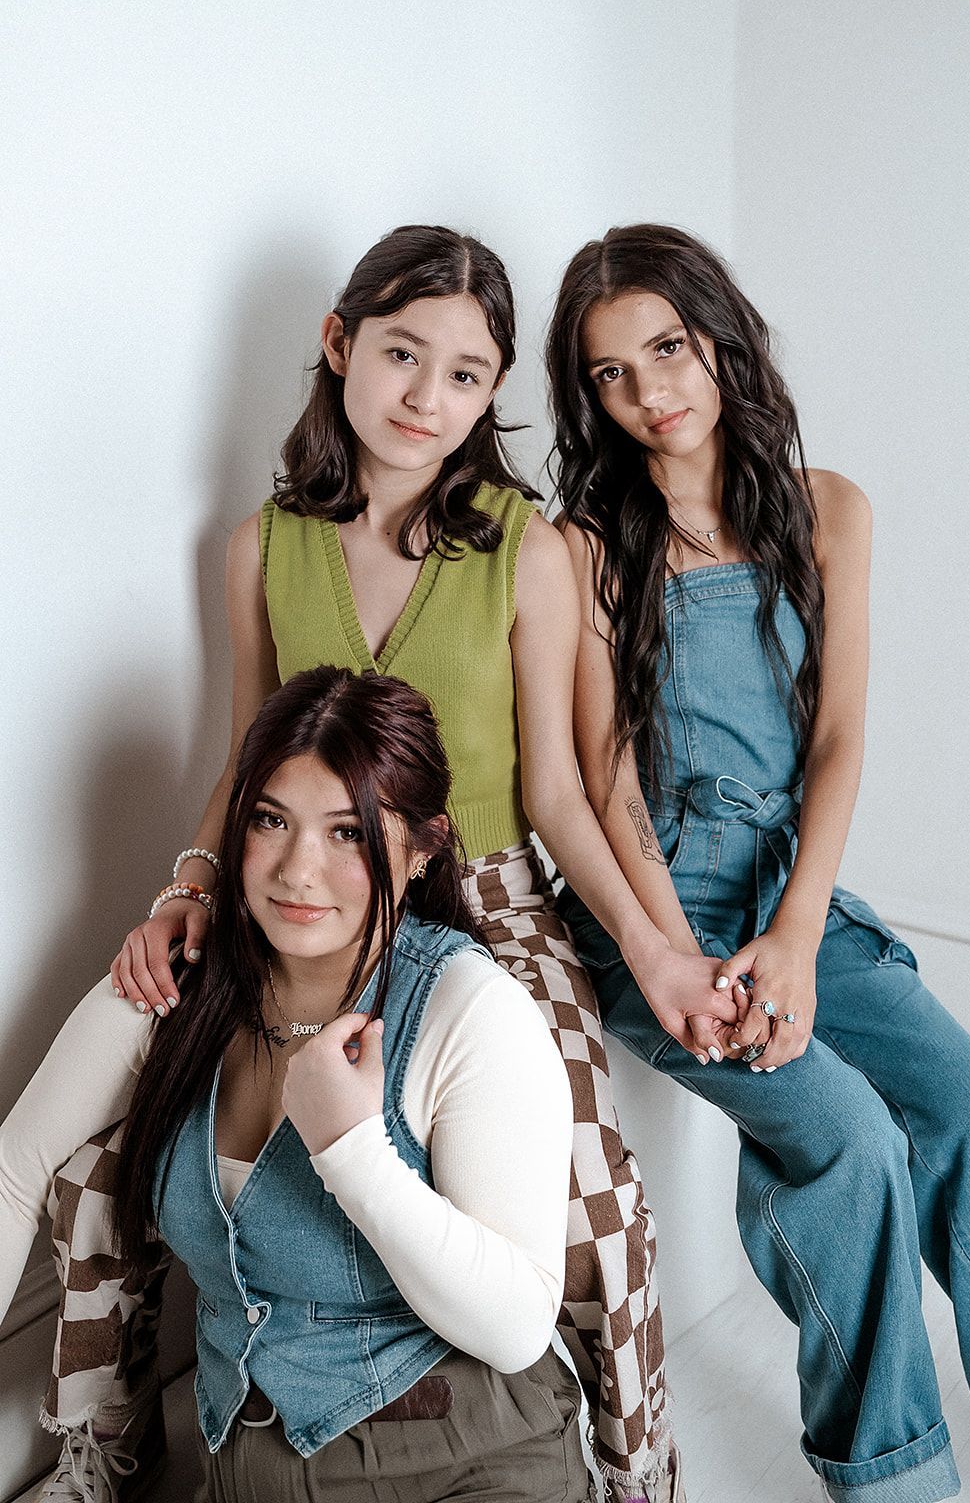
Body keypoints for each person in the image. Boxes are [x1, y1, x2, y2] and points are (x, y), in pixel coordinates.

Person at [37, 227, 720, 1501]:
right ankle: (103, 1450)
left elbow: (563, 793)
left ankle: (638, 1476)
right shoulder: (261, 546)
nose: (426, 399)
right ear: (338, 344)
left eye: (466, 375)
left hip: (493, 902)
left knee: (596, 1192)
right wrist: (187, 891)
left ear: (493, 392)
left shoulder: (528, 547)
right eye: (403, 354)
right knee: (103, 1161)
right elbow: (245, 765)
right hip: (302, 899)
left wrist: (657, 954)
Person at [545, 222, 970, 1503]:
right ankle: (896, 1480)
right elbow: (606, 783)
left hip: (795, 894)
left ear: (718, 333)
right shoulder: (587, 548)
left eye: (666, 348)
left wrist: (794, 937)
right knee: (849, 1140)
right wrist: (679, 958)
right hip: (658, 912)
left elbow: (839, 739)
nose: (648, 392)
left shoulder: (829, 508)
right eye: (611, 374)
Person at [0, 665, 593, 1501]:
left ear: (423, 848)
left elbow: (519, 1327)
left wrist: (355, 1151)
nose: (296, 870)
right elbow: (14, 1171)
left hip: (463, 1454)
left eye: (347, 833)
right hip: (251, 1469)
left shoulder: (469, 1009)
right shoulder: (175, 985)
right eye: (270, 820)